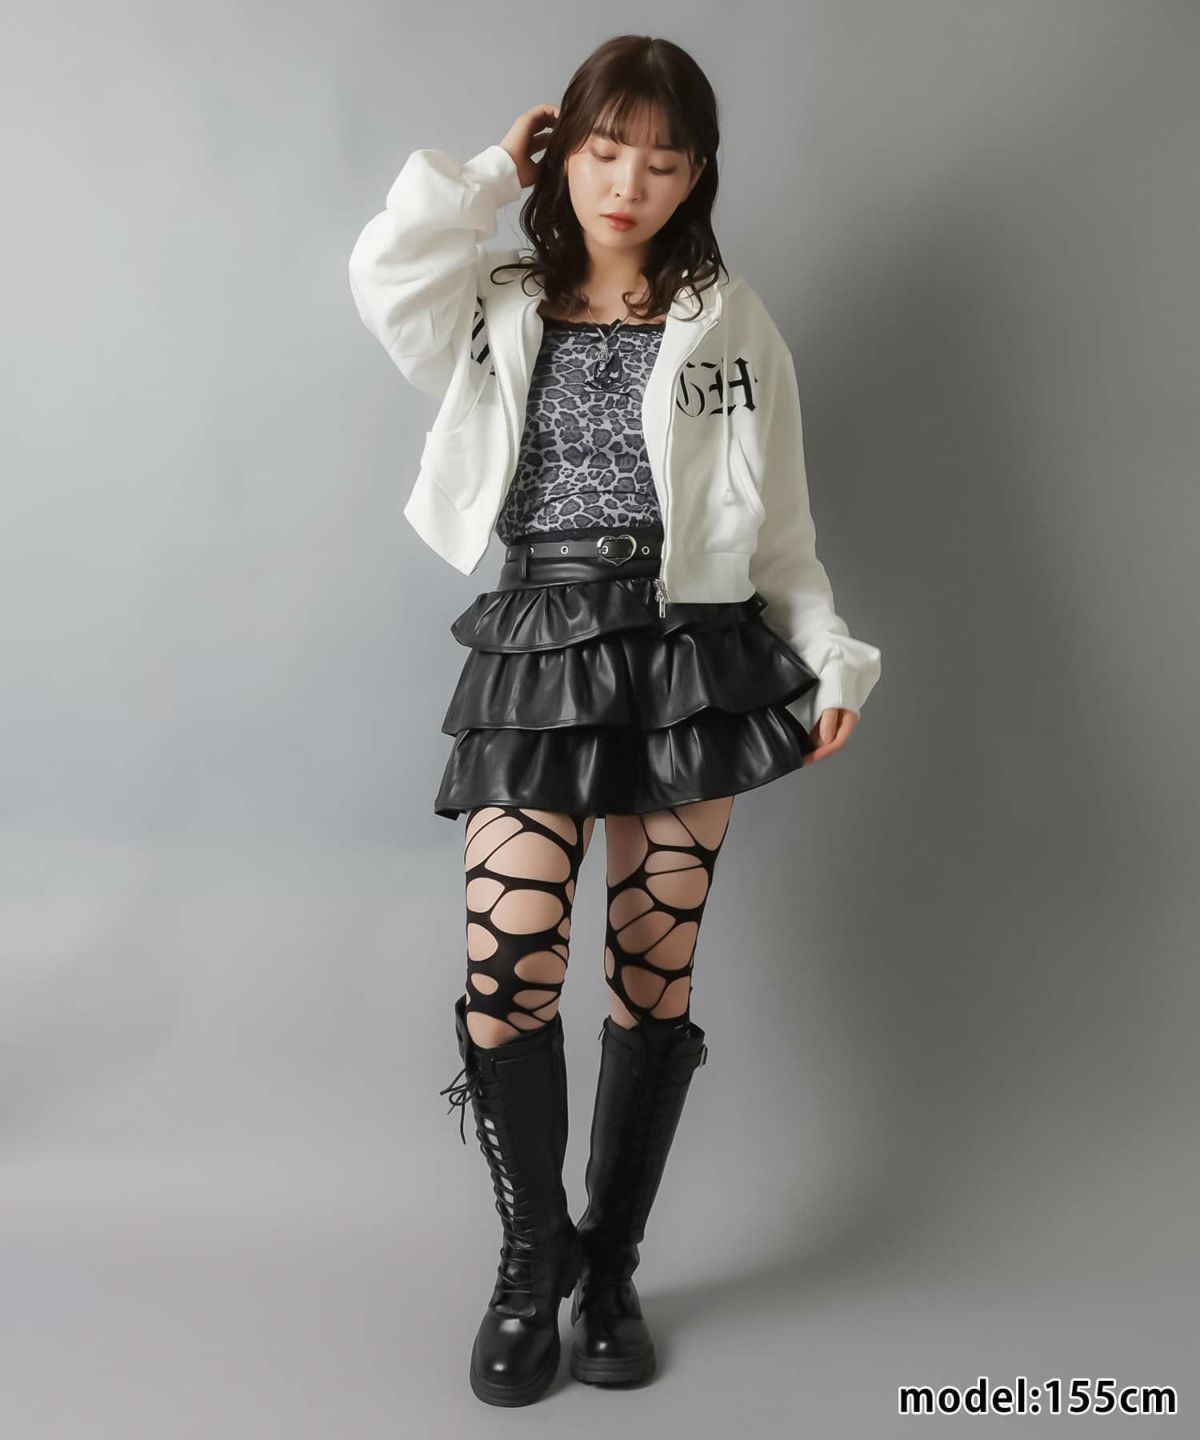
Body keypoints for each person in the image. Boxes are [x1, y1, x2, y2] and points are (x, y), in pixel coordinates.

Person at [348, 33, 881, 1407]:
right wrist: (487, 173)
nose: (628, 182)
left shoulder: (732, 321)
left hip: (691, 655)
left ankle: (614, 1268)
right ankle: (533, 1262)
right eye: (601, 151)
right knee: (509, 963)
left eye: (662, 159)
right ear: (564, 155)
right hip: (539, 642)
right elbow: (385, 272)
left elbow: (782, 534)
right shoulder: (497, 298)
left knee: (653, 975)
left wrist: (830, 659)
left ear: (697, 174)